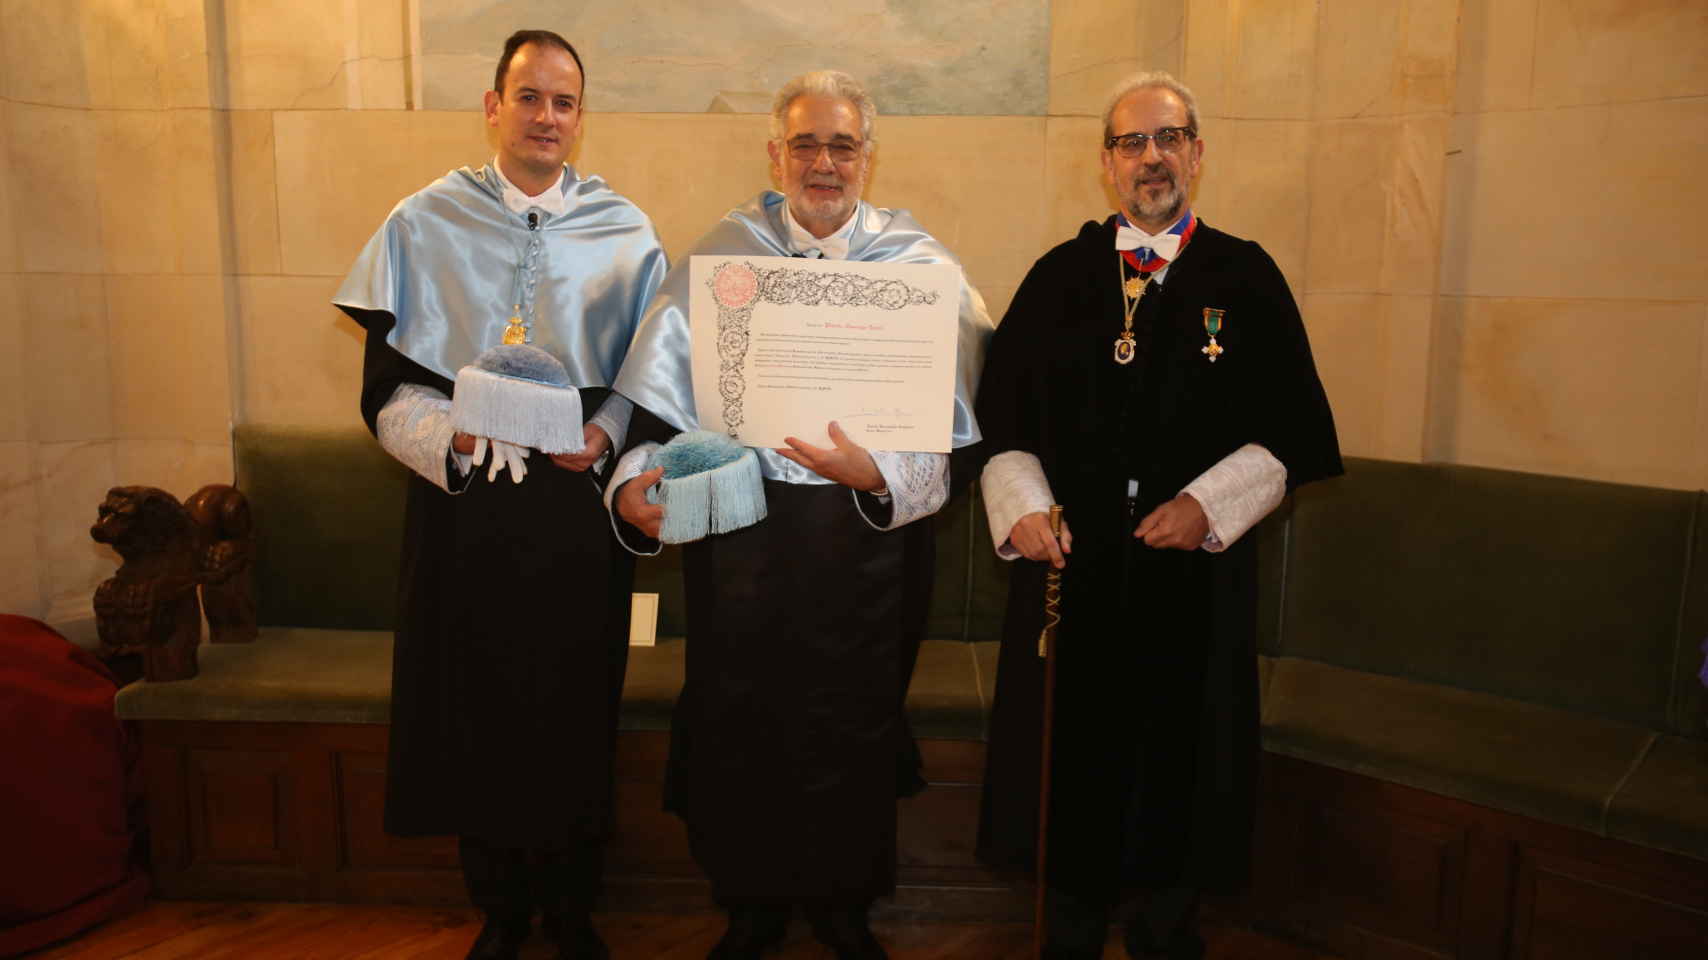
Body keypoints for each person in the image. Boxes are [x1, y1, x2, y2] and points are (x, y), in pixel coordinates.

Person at [607, 71, 993, 960]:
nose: (825, 163)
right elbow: (660, 413)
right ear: (775, 154)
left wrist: (878, 471)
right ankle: (751, 906)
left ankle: (843, 906)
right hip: (746, 538)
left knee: (854, 722)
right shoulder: (721, 259)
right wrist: (634, 478)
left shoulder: (924, 269)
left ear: (869, 156)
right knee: (742, 718)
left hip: (868, 540)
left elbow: (961, 436)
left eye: (843, 145)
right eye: (806, 145)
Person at [973, 72, 1343, 960]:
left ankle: (1166, 928)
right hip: (1075, 566)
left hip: (1194, 570)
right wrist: (1023, 510)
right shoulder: (1059, 279)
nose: (1152, 158)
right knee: (1071, 750)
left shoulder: (1246, 279)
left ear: (1197, 153)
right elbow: (1000, 422)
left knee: (1186, 750)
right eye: (1133, 143)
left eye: (1168, 138)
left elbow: (1293, 434)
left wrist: (1205, 505)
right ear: (1106, 163)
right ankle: (1068, 927)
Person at [332, 30, 667, 960]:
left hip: (574, 516)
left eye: (564, 101)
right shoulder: (423, 222)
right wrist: (458, 435)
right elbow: (387, 387)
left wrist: (604, 436)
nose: (546, 116)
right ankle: (499, 905)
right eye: (529, 96)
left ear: (581, 118)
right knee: (468, 704)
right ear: (493, 106)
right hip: (463, 513)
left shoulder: (625, 233)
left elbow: (647, 376)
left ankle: (571, 905)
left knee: (572, 704)